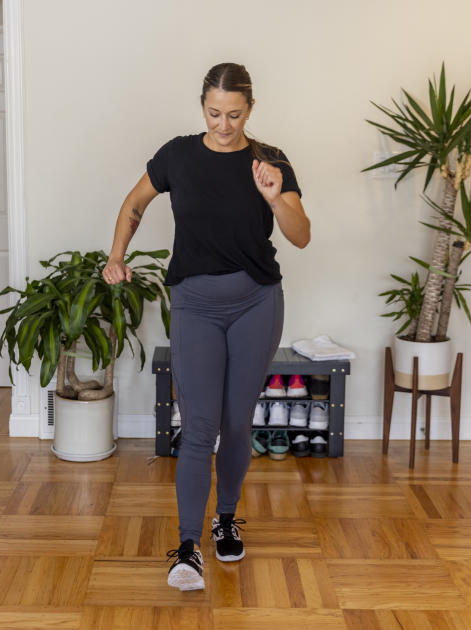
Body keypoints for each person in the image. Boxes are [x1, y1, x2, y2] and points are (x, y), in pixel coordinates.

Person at [102, 62, 311, 591]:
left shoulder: (271, 160)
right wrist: (116, 257)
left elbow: (301, 234)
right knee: (198, 427)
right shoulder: (177, 154)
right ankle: (189, 547)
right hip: (194, 303)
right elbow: (134, 203)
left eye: (234, 114)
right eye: (214, 113)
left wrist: (273, 197)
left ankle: (226, 520)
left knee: (237, 423)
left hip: (256, 302)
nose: (223, 124)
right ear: (203, 107)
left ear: (250, 109)